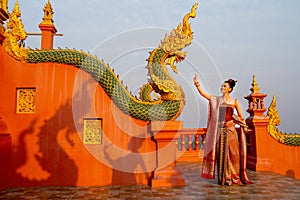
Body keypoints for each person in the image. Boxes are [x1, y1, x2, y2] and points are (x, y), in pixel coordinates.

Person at [193, 74, 252, 186]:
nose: (222, 87)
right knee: (221, 154)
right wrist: (197, 83)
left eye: (224, 86)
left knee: (233, 154)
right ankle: (224, 178)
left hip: (231, 130)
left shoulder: (234, 101)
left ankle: (234, 177)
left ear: (229, 89)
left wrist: (244, 126)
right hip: (219, 131)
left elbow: (240, 116)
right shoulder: (217, 100)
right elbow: (203, 94)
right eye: (222, 86)